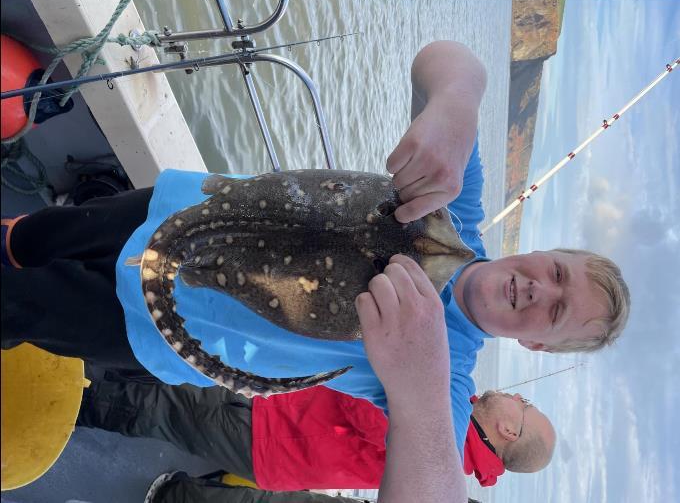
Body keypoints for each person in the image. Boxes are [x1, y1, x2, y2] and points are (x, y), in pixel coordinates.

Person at [1, 41, 630, 503]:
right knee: (30, 237)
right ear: (544, 252)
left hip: (153, 323)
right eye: (554, 271)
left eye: (554, 310)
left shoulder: (442, 371)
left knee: (19, 307)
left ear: (537, 344)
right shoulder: (455, 203)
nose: (537, 288)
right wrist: (456, 104)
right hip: (175, 208)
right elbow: (450, 60)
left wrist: (418, 391)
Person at [77, 379, 555, 498]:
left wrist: (389, 354)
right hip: (276, 423)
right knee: (164, 394)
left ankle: (69, 405)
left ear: (509, 431)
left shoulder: (442, 446)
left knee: (156, 409)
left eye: (524, 405)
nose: (515, 396)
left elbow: (367, 410)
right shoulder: (449, 430)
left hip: (269, 432)